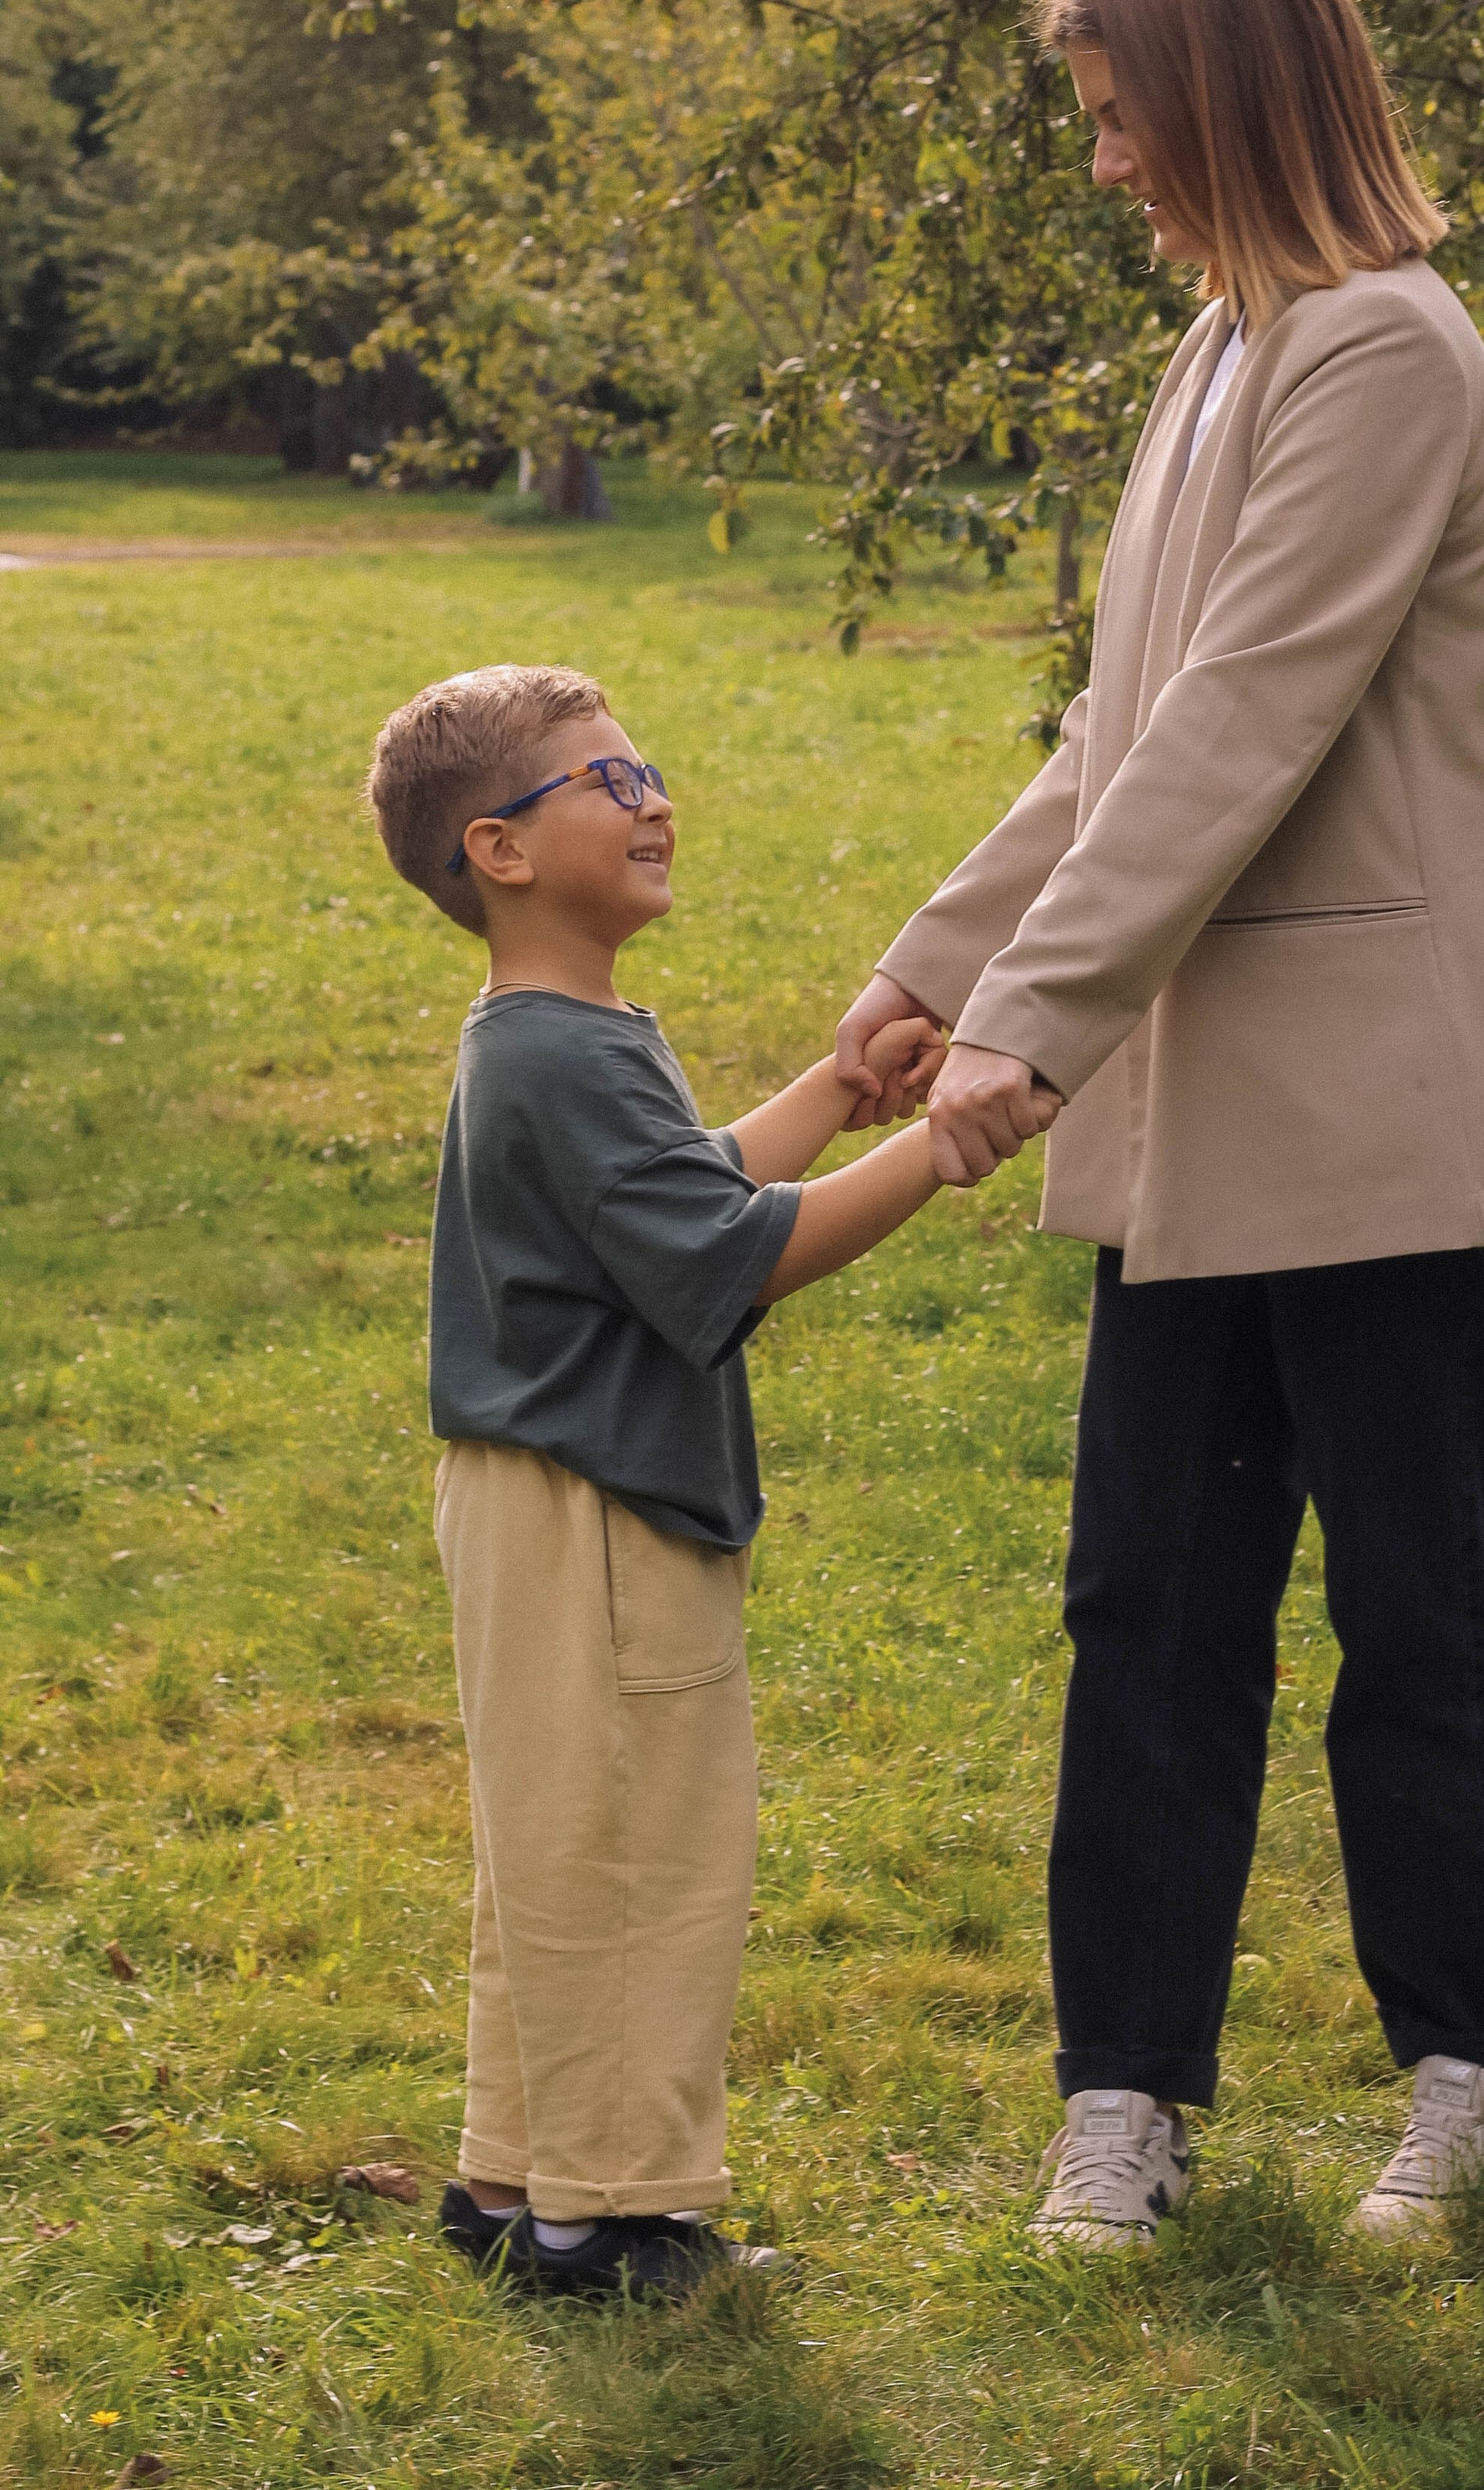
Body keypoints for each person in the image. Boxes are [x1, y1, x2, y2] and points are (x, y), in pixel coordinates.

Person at [835, 0, 1484, 2249]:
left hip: (1377, 1122)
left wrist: (1033, 1031)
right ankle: (1127, 2096)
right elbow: (1120, 734)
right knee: (1146, 1607)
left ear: (1229, 85)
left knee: (1418, 1610)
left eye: (1121, 105)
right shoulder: (1217, 357)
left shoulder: (1384, 349)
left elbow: (1251, 726)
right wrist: (942, 962)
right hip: (1194, 1130)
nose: (1105, 154)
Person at [365, 661, 944, 2301]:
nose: (651, 800)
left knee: (555, 1849)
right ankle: (613, 2225)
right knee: (639, 1858)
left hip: (539, 1495)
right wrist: (955, 1138)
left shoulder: (558, 1035)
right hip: (596, 1509)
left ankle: (512, 2179)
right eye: (605, 783)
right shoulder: (560, 1050)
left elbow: (678, 1194)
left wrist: (842, 1096)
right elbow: (734, 1261)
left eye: (649, 769)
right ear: (498, 850)